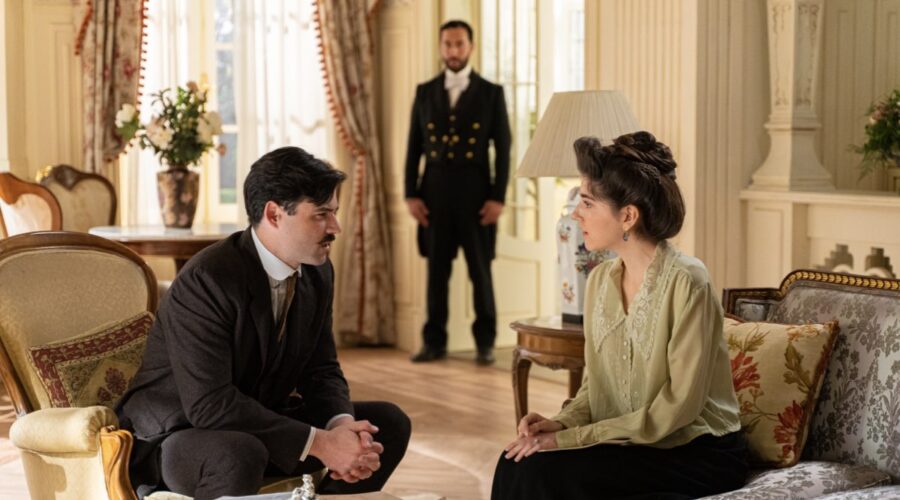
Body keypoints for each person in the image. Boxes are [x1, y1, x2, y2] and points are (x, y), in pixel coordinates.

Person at [116, 147, 411, 499]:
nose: (336, 227)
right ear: (274, 214)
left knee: (387, 425)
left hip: (256, 422)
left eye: (334, 212)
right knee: (239, 454)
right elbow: (210, 405)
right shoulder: (209, 278)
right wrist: (320, 443)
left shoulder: (318, 272)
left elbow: (321, 370)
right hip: (177, 434)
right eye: (321, 215)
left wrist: (342, 430)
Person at [491, 132, 748, 499]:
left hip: (695, 450)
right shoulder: (599, 282)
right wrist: (560, 422)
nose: (577, 214)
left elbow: (677, 410)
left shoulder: (688, 281)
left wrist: (571, 438)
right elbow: (595, 387)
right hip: (631, 442)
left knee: (549, 475)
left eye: (588, 203)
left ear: (627, 216)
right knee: (514, 460)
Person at [404, 19, 511, 365]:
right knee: (436, 272)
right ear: (441, 47)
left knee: (480, 271)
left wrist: (498, 197)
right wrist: (411, 194)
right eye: (447, 44)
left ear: (471, 47)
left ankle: (485, 343)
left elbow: (504, 149)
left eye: (459, 44)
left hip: (477, 195)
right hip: (433, 194)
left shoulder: (491, 93)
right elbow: (414, 148)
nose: (453, 51)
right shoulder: (425, 91)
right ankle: (433, 342)